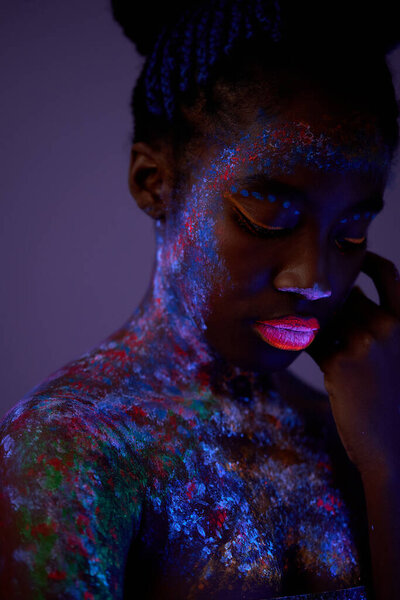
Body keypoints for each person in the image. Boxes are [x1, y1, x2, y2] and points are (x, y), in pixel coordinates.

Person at [1, 1, 399, 598]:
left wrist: (390, 465)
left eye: (351, 232)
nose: (314, 277)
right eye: (266, 217)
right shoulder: (70, 448)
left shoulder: (358, 432)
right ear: (153, 182)